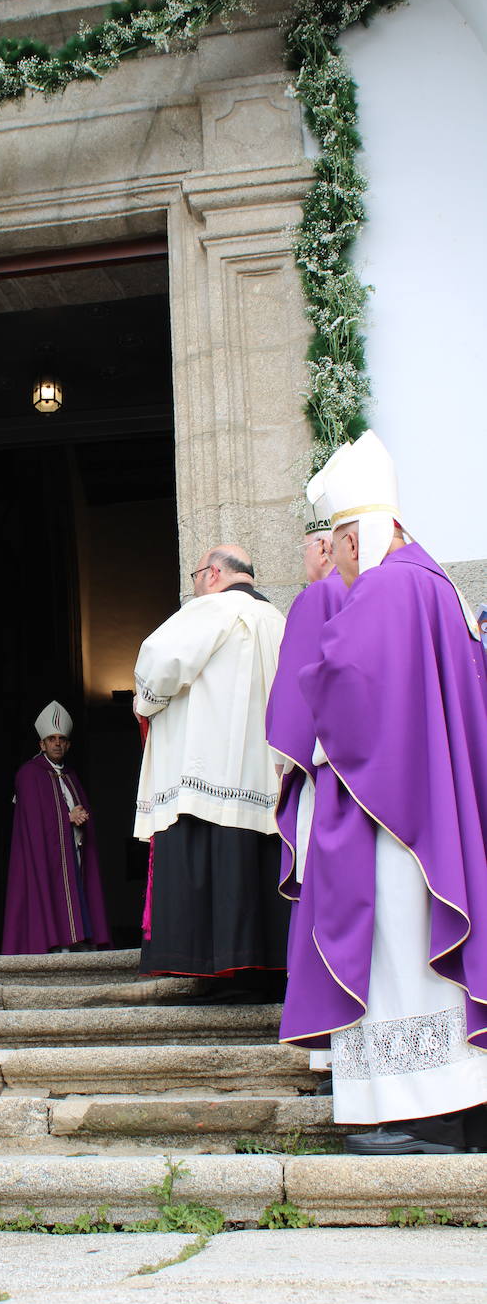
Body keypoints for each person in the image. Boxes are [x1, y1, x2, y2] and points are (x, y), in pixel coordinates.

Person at [280, 432, 487, 1153]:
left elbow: (345, 688)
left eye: (335, 547)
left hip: (389, 816)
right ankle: (458, 1110)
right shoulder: (440, 585)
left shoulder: (386, 587)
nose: (333, 563)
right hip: (436, 806)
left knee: (399, 954)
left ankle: (407, 1114)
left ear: (358, 534)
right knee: (432, 963)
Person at [134, 546, 287, 1002]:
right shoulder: (278, 620)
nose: (196, 585)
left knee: (213, 861)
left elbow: (159, 667)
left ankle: (212, 967)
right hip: (264, 776)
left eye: (198, 575)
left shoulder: (210, 609)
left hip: (210, 769)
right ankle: (264, 970)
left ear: (215, 573)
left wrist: (146, 704)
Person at [266, 495, 346, 1086]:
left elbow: (295, 702)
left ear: (322, 546)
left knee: (320, 899)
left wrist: (285, 766)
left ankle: (325, 1041)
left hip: (327, 781)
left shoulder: (317, 597)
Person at [1, 701, 111, 955]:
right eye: (52, 739)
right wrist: (67, 818)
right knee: (52, 894)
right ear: (42, 744)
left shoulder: (71, 776)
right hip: (46, 857)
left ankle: (80, 940)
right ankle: (57, 944)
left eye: (62, 739)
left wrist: (82, 815)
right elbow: (33, 822)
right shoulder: (29, 775)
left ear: (68, 744)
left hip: (75, 851)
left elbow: (76, 807)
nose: (57, 743)